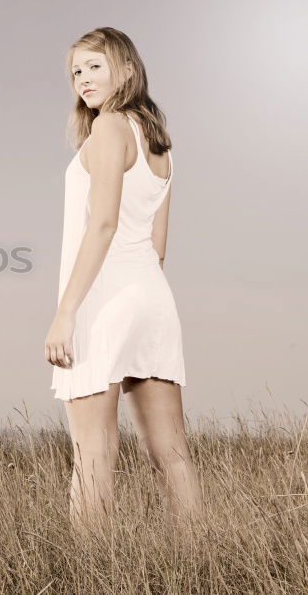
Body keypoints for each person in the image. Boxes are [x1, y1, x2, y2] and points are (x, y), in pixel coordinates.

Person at [43, 27, 204, 532]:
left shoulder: (109, 127)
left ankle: (92, 575)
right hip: (152, 297)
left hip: (102, 298)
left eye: (95, 65)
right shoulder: (160, 144)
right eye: (75, 71)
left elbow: (104, 223)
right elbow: (159, 246)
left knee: (93, 451)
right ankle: (202, 556)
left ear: (126, 68)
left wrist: (66, 313)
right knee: (172, 452)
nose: (83, 79)